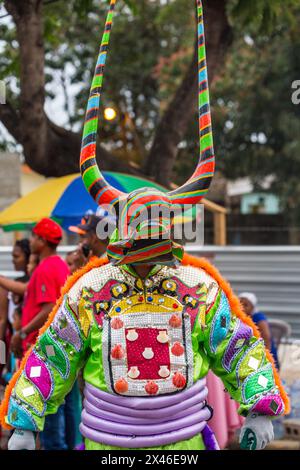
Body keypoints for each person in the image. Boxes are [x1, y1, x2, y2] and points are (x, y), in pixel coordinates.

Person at [0, 0, 289, 452]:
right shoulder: (90, 290)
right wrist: (25, 418)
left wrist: (261, 405)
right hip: (105, 445)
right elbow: (53, 352)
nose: (150, 248)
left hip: (184, 445)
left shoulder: (196, 288)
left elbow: (238, 347)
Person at [239, 292, 280, 370]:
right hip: (250, 352)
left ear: (252, 308)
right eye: (240, 303)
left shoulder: (258, 318)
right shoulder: (240, 317)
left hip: (263, 353)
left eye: (246, 305)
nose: (242, 307)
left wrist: (265, 359)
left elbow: (267, 338)